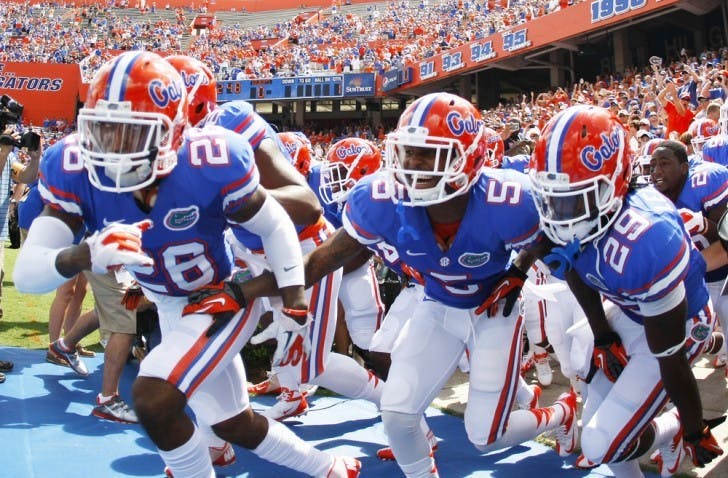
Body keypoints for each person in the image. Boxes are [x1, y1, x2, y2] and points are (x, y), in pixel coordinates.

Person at [14, 51, 360, 478]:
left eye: (131, 132)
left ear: (174, 132)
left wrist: (292, 288)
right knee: (233, 422)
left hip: (218, 299)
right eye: (103, 128)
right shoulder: (73, 167)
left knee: (154, 395)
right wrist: (83, 254)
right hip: (168, 302)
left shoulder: (210, 159)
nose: (112, 146)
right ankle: (329, 467)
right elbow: (28, 273)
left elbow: (274, 221)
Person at [196, 92, 579, 478]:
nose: (412, 164)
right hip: (437, 306)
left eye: (428, 154)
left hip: (495, 311)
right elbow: (323, 259)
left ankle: (561, 412)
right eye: (407, 152)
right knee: (396, 415)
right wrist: (243, 291)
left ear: (469, 158)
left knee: (485, 435)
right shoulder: (381, 198)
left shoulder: (510, 199)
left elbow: (557, 238)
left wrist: (520, 268)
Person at [529, 104, 723, 477]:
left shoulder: (648, 238)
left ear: (615, 180)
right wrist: (602, 335)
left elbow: (671, 357)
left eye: (573, 196)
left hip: (679, 322)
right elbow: (574, 270)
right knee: (598, 421)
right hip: (630, 308)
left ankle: (673, 430)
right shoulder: (569, 210)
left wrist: (695, 427)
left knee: (603, 442)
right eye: (551, 194)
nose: (557, 211)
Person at [648, 140, 728, 372]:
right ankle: (714, 343)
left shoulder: (705, 182)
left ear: (684, 167)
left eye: (664, 164)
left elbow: (725, 241)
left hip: (721, 274)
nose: (657, 171)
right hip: (698, 278)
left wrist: (703, 224)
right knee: (690, 338)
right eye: (653, 165)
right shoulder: (650, 197)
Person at [0, 128, 41, 382]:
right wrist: (4, 151)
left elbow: (27, 176)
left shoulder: (8, 158)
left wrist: (35, 157)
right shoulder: (4, 154)